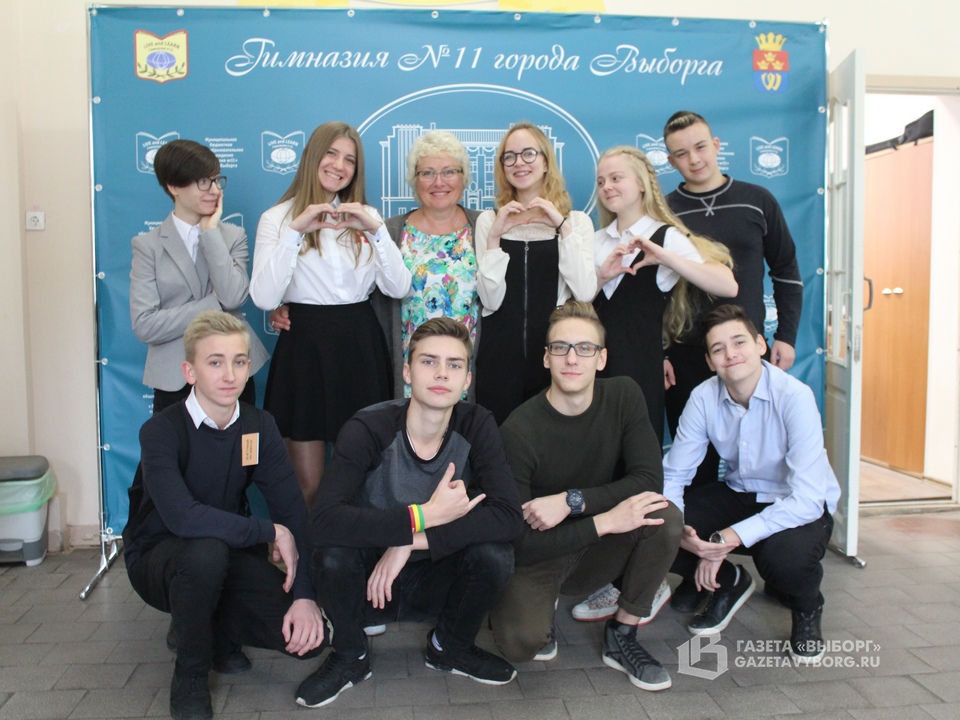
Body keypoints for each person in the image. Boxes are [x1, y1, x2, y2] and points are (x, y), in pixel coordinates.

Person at [295, 317, 523, 709]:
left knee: (496, 554)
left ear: (466, 379)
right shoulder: (368, 427)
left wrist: (413, 539)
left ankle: (449, 648)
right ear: (407, 372)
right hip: (370, 584)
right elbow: (324, 521)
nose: (441, 373)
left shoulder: (477, 424)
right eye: (428, 361)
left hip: (434, 575)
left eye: (454, 364)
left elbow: (508, 516)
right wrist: (419, 516)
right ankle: (350, 656)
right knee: (331, 554)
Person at [124, 311, 325, 720]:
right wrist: (269, 531)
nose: (229, 374)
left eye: (238, 361)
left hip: (227, 552)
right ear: (190, 371)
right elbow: (183, 518)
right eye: (215, 362)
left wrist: (304, 594)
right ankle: (191, 675)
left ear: (249, 367)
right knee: (205, 554)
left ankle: (215, 628)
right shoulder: (161, 431)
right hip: (159, 558)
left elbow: (292, 510)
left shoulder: (258, 426)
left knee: (308, 640)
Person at [489, 301, 682, 692]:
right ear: (547, 358)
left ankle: (623, 634)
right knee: (521, 643)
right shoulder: (518, 430)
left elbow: (649, 480)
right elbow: (518, 542)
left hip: (595, 546)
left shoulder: (624, 396)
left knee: (663, 516)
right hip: (538, 553)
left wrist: (572, 502)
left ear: (601, 358)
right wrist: (603, 520)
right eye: (561, 347)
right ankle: (537, 605)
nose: (572, 358)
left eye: (585, 348)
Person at [662, 304, 839, 662]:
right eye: (718, 349)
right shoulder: (703, 397)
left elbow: (807, 499)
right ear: (710, 361)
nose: (730, 354)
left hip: (796, 503)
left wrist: (727, 537)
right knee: (657, 525)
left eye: (739, 342)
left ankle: (807, 607)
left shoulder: (794, 396)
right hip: (741, 492)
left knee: (782, 558)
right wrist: (681, 530)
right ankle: (729, 580)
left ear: (760, 344)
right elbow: (675, 475)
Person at [250, 122, 411, 507]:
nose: (339, 165)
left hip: (359, 344)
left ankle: (355, 544)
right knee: (308, 486)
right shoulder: (278, 219)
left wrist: (376, 232)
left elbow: (398, 287)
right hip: (304, 346)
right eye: (332, 153)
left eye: (349, 160)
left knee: (363, 478)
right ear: (312, 156)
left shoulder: (366, 215)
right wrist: (295, 232)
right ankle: (309, 545)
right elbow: (264, 296)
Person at [662, 110, 804, 488]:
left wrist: (786, 336)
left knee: (764, 461)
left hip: (746, 351)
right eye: (681, 153)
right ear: (670, 161)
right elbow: (652, 291)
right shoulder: (665, 212)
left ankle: (761, 525)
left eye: (700, 147)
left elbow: (786, 272)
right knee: (694, 469)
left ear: (716, 145)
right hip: (686, 356)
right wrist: (660, 352)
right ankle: (698, 528)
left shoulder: (757, 200)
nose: (694, 159)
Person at [593, 145, 737, 446]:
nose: (607, 187)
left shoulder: (666, 236)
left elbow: (727, 285)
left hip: (640, 372)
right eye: (601, 181)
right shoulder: (595, 240)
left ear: (642, 184)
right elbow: (571, 304)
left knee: (637, 454)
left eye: (616, 178)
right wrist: (602, 277)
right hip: (592, 371)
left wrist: (665, 257)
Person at [130, 139, 267, 413]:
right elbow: (145, 325)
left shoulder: (233, 236)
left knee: (241, 441)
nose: (214, 190)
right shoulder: (148, 246)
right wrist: (213, 304)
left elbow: (233, 297)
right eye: (203, 182)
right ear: (174, 186)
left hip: (232, 375)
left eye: (216, 180)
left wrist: (210, 233)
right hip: (173, 378)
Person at [474, 122, 596, 425]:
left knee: (552, 440)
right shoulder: (489, 220)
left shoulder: (576, 222)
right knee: (498, 439)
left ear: (545, 162)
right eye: (510, 156)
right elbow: (490, 300)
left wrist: (561, 226)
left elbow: (584, 292)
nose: (519, 163)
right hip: (499, 357)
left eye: (529, 153)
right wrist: (494, 238)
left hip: (554, 356)